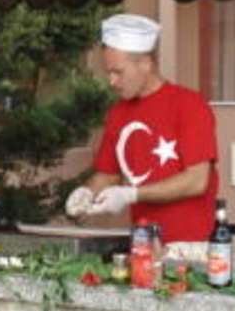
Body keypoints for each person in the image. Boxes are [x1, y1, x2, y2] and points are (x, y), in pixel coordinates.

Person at [66, 13, 218, 243]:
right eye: (109, 72)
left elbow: (197, 181)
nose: (112, 81)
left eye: (118, 72)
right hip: (143, 245)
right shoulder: (118, 113)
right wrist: (86, 193)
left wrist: (132, 194)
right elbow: (107, 175)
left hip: (190, 247)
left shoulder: (189, 105)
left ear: (145, 64)